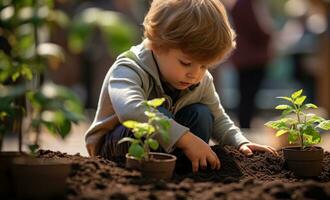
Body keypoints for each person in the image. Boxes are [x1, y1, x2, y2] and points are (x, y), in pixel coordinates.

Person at [85, 0, 278, 173]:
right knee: (157, 114)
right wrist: (185, 139)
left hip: (168, 144)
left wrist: (240, 142)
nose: (194, 74)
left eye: (204, 65)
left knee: (202, 114)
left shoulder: (200, 79)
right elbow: (130, 110)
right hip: (118, 147)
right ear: (156, 45)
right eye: (186, 63)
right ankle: (158, 169)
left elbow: (219, 118)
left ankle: (185, 169)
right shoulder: (129, 68)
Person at [230, 0, 274, 128]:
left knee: (246, 94)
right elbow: (256, 28)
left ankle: (245, 124)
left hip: (245, 57)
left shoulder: (240, 4)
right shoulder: (246, 4)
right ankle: (245, 125)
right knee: (248, 94)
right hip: (252, 58)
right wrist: (270, 34)